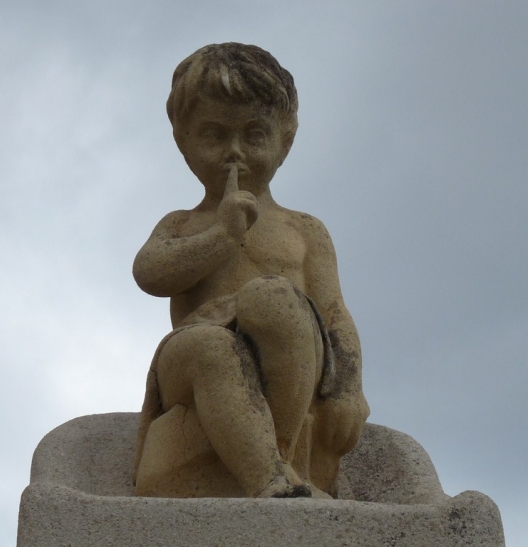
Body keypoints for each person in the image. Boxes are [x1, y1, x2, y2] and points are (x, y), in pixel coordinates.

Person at [132, 43, 369, 499]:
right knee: (209, 346)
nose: (234, 153)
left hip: (288, 358)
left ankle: (272, 453)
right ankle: (267, 477)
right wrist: (222, 236)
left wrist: (348, 388)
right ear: (183, 140)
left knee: (274, 300)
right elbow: (150, 273)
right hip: (192, 359)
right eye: (214, 135)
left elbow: (334, 312)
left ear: (286, 139)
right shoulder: (184, 223)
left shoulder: (305, 230)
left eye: (254, 135)